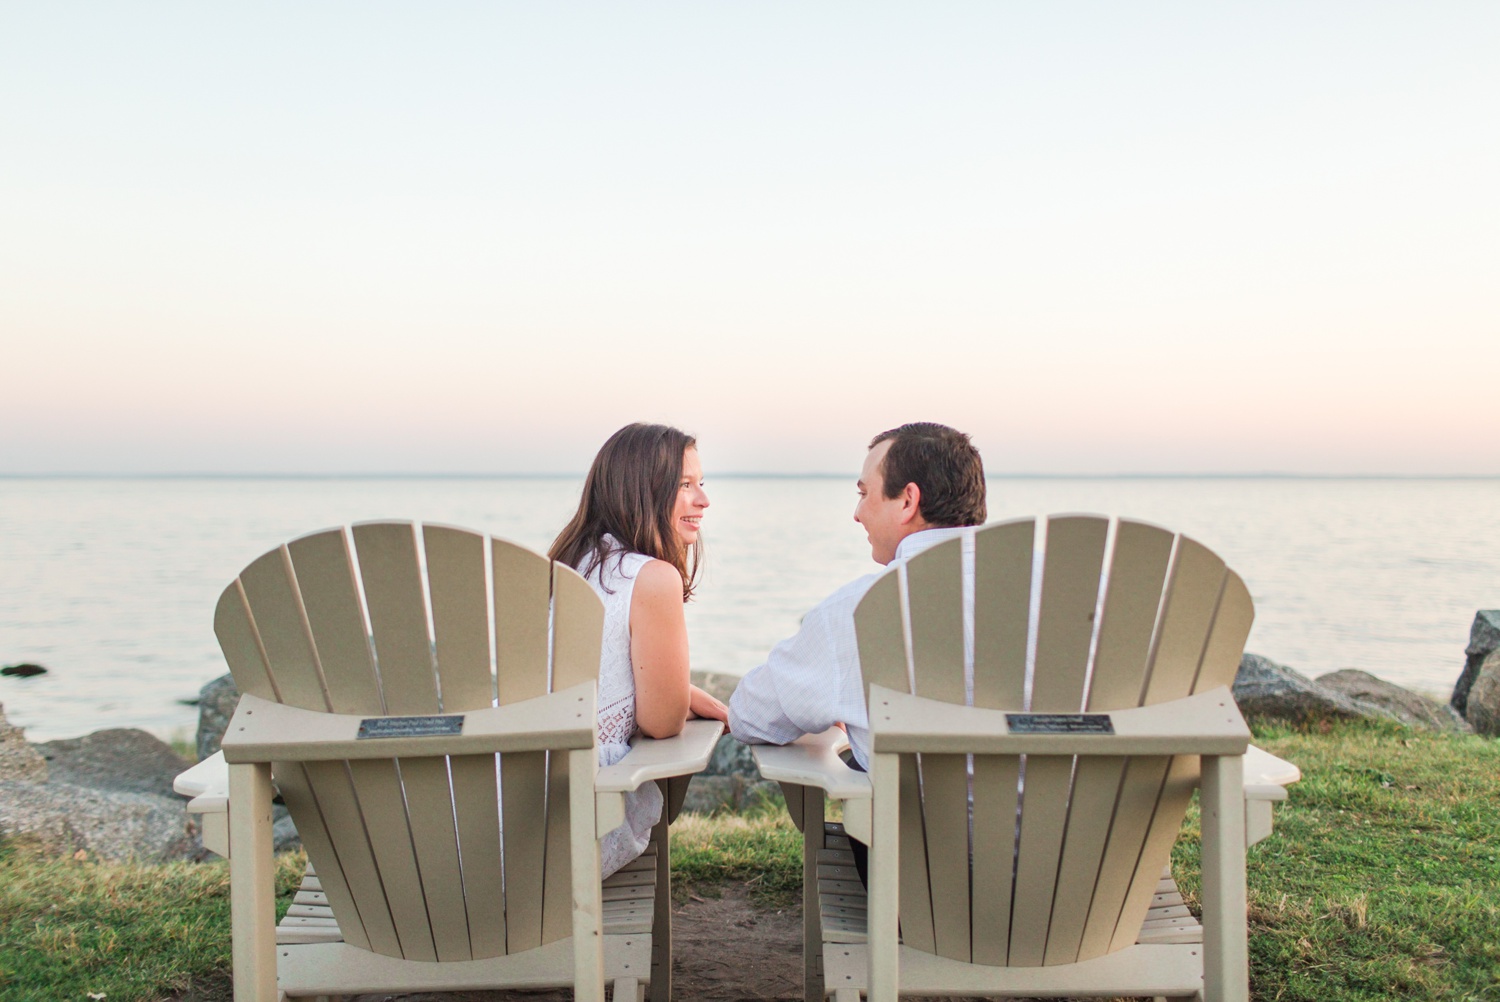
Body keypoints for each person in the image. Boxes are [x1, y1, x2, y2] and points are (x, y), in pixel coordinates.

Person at [727, 422, 986, 885]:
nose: (857, 513)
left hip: (921, 896)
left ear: (907, 500)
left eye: (865, 493)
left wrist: (841, 709)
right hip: (1089, 890)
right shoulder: (1067, 602)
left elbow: (751, 715)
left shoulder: (860, 610)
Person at [550, 422, 729, 877]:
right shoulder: (650, 576)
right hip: (573, 811)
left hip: (511, 782)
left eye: (701, 484)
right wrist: (682, 701)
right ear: (644, 491)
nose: (703, 501)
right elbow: (661, 722)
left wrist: (686, 692)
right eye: (685, 485)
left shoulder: (571, 563)